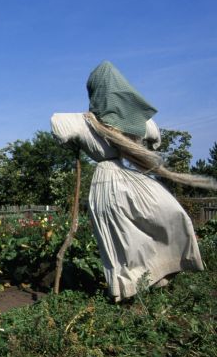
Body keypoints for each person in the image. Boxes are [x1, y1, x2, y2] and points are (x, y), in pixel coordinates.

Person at [51, 61, 216, 300]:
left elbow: (153, 133)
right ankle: (127, 290)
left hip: (127, 181)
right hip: (107, 182)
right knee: (124, 241)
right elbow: (59, 125)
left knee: (171, 213)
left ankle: (159, 272)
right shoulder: (86, 122)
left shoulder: (125, 122)